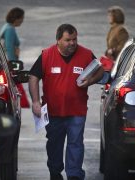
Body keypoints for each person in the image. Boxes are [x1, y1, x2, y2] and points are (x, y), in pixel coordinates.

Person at [28, 24, 104, 180]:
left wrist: (90, 80)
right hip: (53, 112)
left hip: (77, 111)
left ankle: (74, 174)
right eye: (68, 40)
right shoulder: (47, 55)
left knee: (75, 143)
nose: (72, 43)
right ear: (58, 40)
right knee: (54, 144)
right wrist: (35, 102)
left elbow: (100, 70)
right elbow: (33, 77)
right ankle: (55, 172)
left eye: (74, 39)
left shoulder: (86, 54)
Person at [0, 7, 30, 108]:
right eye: (22, 18)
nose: (22, 20)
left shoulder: (7, 26)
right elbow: (9, 47)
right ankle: (22, 104)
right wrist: (14, 65)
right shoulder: (10, 29)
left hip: (7, 60)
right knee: (16, 83)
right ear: (17, 18)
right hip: (10, 62)